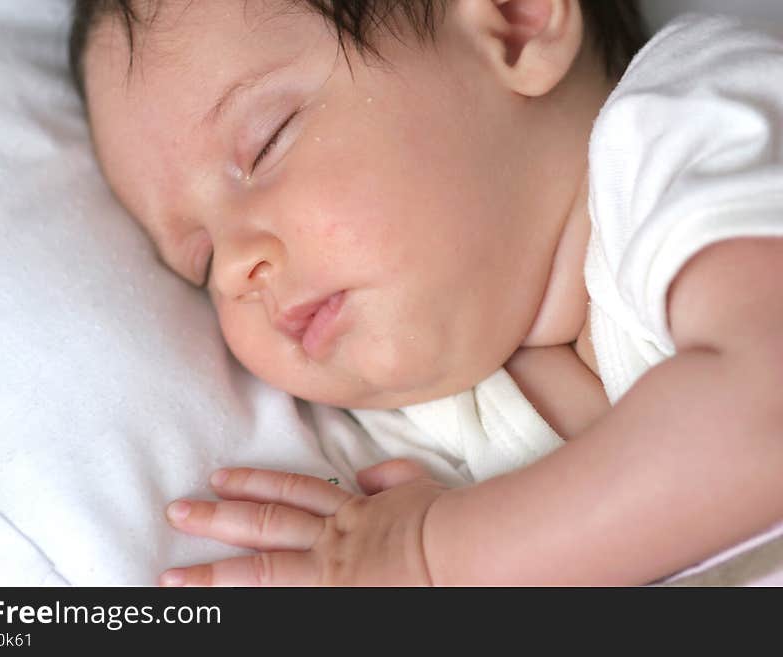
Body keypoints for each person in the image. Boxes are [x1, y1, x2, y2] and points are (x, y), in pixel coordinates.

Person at [71, 0, 783, 585]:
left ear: (514, 24)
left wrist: (434, 556)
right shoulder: (407, 449)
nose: (233, 270)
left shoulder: (693, 122)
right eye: (199, 262)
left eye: (267, 143)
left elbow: (764, 407)